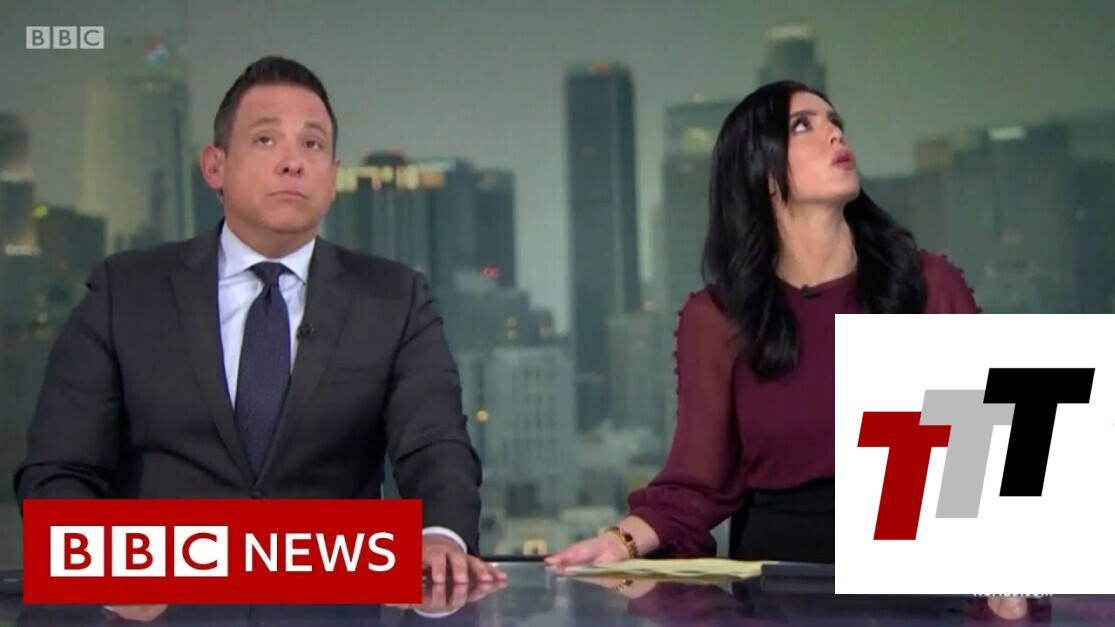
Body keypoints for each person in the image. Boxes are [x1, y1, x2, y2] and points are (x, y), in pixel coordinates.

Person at [14, 56, 505, 589]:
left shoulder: (394, 298)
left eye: (312, 144)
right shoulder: (126, 293)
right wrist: (109, 576)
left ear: (333, 177)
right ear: (215, 166)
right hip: (159, 609)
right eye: (266, 140)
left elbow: (435, 446)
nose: (293, 162)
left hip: (332, 607)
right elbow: (59, 472)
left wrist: (440, 535)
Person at [546, 80, 980, 568]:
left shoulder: (927, 285)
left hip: (911, 579)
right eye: (803, 126)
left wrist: (1007, 591)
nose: (835, 134)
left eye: (835, 122)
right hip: (777, 585)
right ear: (763, 173)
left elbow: (986, 466)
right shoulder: (717, 318)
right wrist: (619, 543)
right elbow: (697, 483)